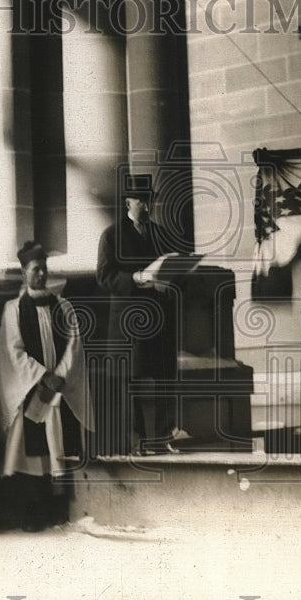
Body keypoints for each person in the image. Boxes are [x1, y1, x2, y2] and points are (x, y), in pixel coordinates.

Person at [0, 241, 94, 531]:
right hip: (33, 391)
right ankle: (33, 512)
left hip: (60, 391)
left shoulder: (64, 306)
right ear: (23, 274)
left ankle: (59, 510)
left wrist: (60, 377)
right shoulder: (13, 310)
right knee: (34, 455)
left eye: (44, 269)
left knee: (60, 448)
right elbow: (12, 352)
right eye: (35, 269)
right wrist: (42, 377)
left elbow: (74, 345)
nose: (41, 274)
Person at [96, 173, 181, 454]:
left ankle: (163, 436)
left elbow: (171, 270)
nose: (146, 206)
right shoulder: (111, 235)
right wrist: (136, 277)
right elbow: (105, 276)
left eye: (149, 200)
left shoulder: (159, 233)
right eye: (140, 201)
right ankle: (137, 441)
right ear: (127, 203)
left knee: (164, 377)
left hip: (158, 319)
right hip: (128, 324)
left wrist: (168, 282)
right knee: (129, 382)